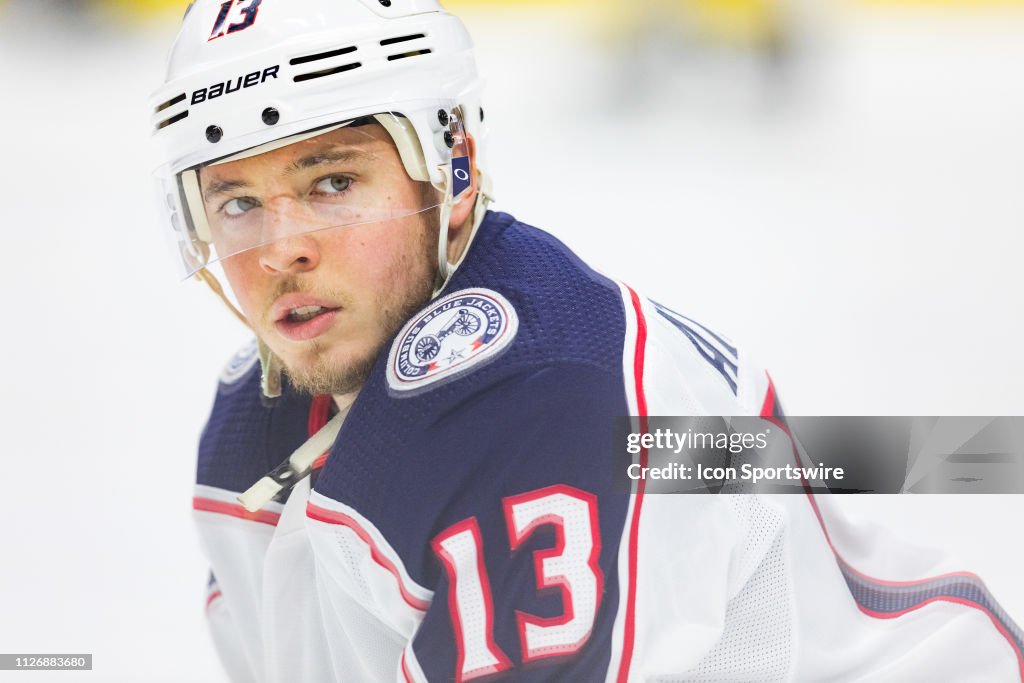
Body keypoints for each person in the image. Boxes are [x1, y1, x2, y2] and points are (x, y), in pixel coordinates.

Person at [150, 1, 1024, 681]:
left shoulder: (540, 399)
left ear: (452, 172)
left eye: (333, 180)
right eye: (236, 202)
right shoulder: (252, 427)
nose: (279, 249)